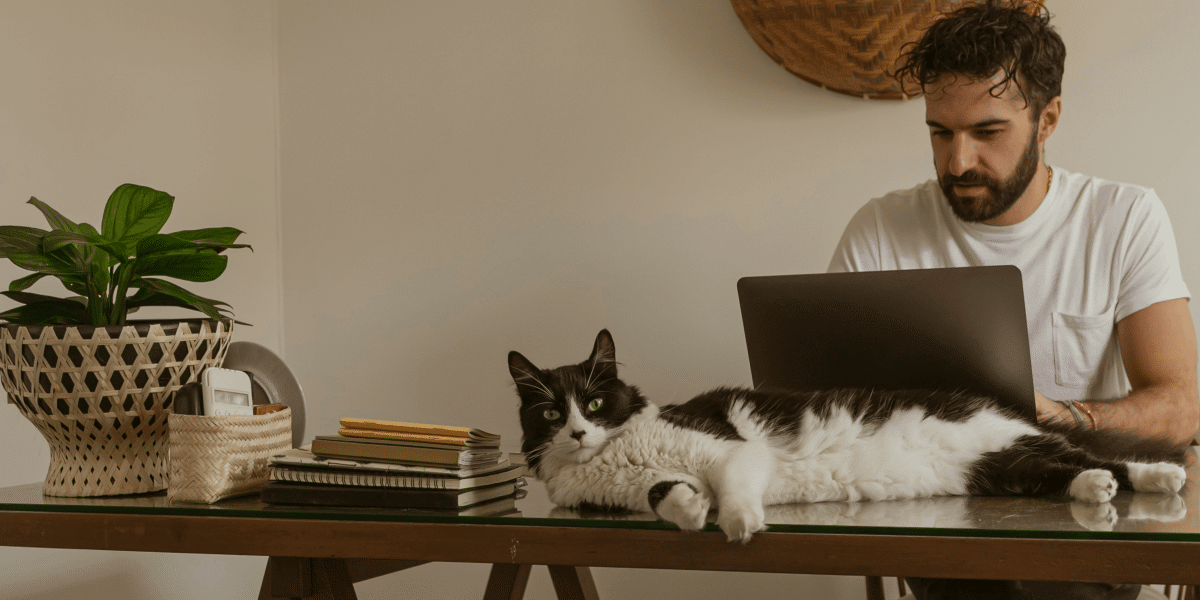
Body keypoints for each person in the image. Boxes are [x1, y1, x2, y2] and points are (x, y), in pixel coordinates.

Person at [826, 2, 1198, 599]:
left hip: (1088, 527)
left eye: (988, 132)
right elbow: (823, 406)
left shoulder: (1123, 218)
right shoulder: (881, 228)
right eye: (940, 132)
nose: (958, 160)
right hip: (948, 531)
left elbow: (1181, 409)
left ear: (1048, 119)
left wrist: (1066, 417)